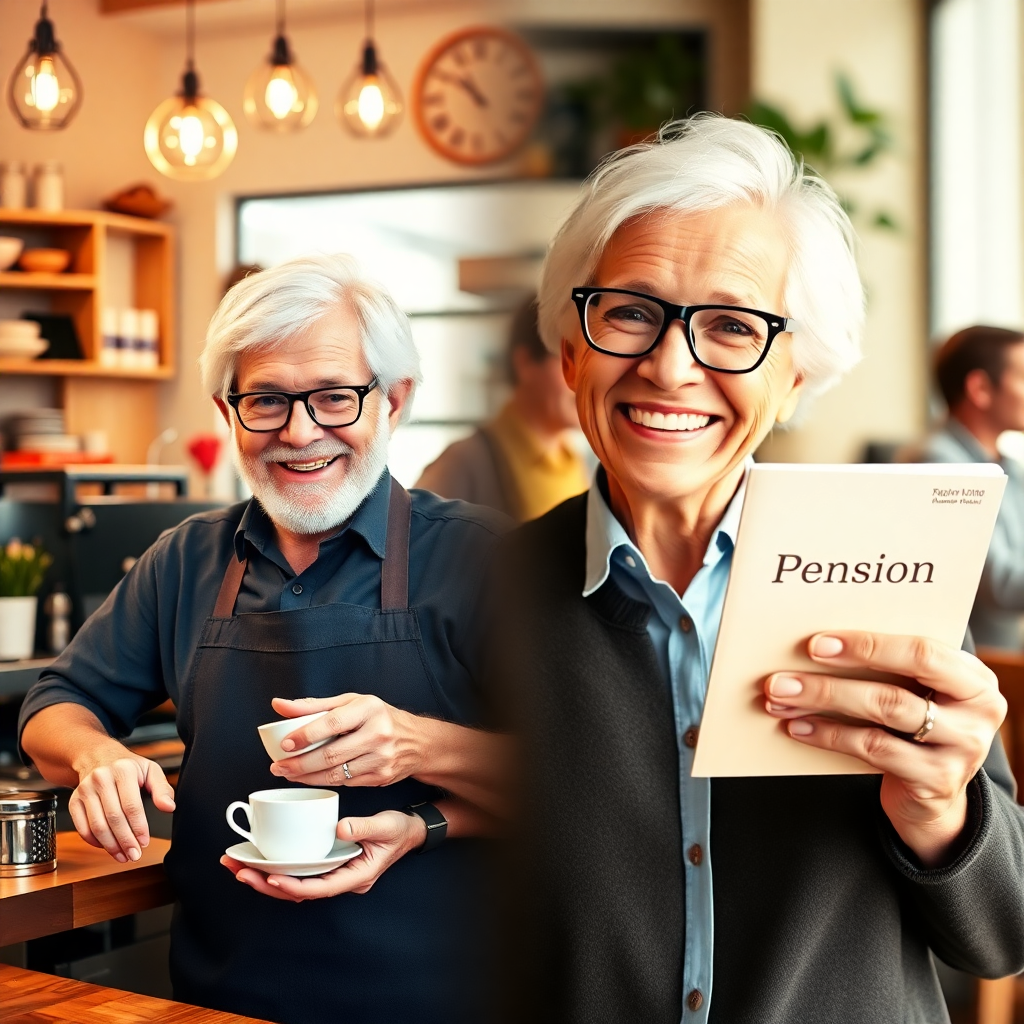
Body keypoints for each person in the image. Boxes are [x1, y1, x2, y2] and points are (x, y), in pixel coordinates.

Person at [489, 117, 1024, 1024]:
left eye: (733, 326)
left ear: (796, 378)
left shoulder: (881, 571)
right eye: (628, 311)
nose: (669, 366)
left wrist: (941, 810)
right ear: (571, 347)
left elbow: (999, 939)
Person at [18, 253, 508, 1024]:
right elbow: (58, 699)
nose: (299, 431)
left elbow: (590, 775)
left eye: (334, 397)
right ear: (227, 409)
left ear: (395, 401)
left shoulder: (488, 559)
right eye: (268, 401)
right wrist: (95, 754)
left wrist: (418, 747)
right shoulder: (185, 559)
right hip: (218, 1000)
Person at [904, 325, 1024, 649]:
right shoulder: (940, 464)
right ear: (981, 388)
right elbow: (998, 584)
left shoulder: (1004, 463)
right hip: (975, 665)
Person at [416, 294, 588, 521]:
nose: (583, 379)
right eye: (566, 359)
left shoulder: (573, 463)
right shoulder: (464, 464)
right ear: (525, 363)